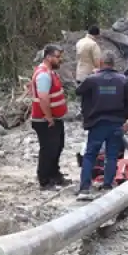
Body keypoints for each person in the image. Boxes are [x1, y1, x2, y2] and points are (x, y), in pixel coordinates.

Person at [75, 52, 128, 200]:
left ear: (101, 62)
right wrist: (123, 118)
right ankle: (107, 185)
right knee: (112, 155)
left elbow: (78, 91)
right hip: (115, 122)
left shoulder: (93, 79)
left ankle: (85, 188)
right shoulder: (123, 80)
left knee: (90, 155)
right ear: (113, 64)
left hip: (97, 122)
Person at [31, 44, 71, 190]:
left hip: (53, 118)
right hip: (44, 120)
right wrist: (49, 117)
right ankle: (45, 179)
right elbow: (43, 98)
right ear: (48, 57)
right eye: (57, 57)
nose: (60, 60)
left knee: (58, 146)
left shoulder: (50, 72)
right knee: (48, 149)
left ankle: (55, 174)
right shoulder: (43, 74)